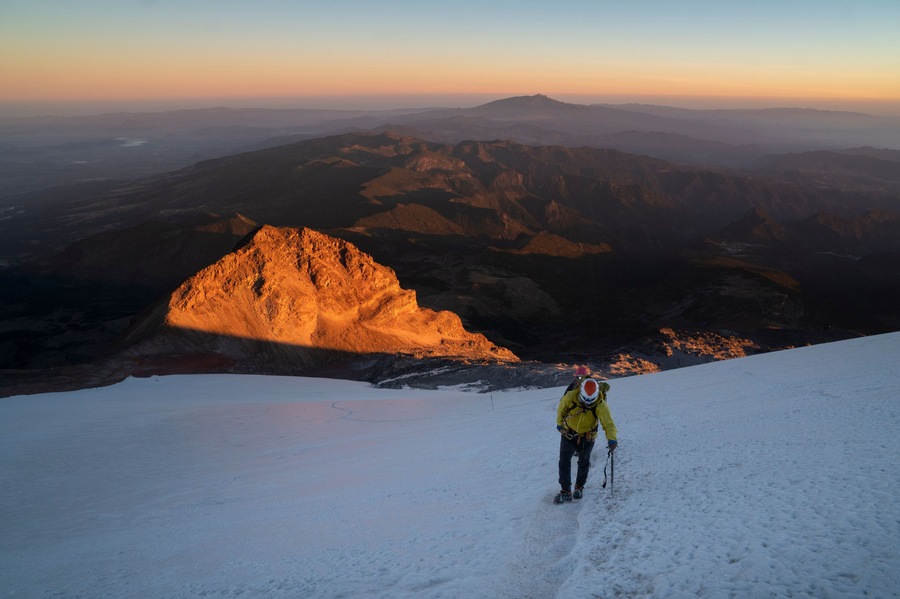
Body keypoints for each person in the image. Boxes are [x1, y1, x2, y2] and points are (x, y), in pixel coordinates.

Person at [554, 377, 617, 503]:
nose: (587, 403)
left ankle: (579, 487)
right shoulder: (571, 396)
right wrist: (560, 423)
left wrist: (612, 439)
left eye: (590, 401)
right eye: (585, 400)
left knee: (584, 462)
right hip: (568, 432)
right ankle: (566, 490)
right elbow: (561, 408)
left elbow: (608, 423)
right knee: (564, 461)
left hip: (587, 435)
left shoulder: (600, 404)